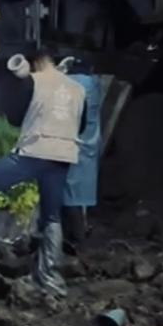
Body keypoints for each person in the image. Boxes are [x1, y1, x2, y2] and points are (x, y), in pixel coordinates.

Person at [0, 48, 87, 297]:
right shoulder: (78, 89)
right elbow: (83, 123)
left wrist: (20, 84)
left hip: (35, 151)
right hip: (63, 156)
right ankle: (50, 278)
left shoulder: (33, 81)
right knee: (52, 216)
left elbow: (13, 118)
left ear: (34, 62)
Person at [58, 57, 103, 249]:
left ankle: (75, 238)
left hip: (70, 143)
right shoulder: (95, 85)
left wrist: (60, 70)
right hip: (90, 142)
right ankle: (81, 230)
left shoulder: (70, 84)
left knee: (68, 193)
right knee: (81, 192)